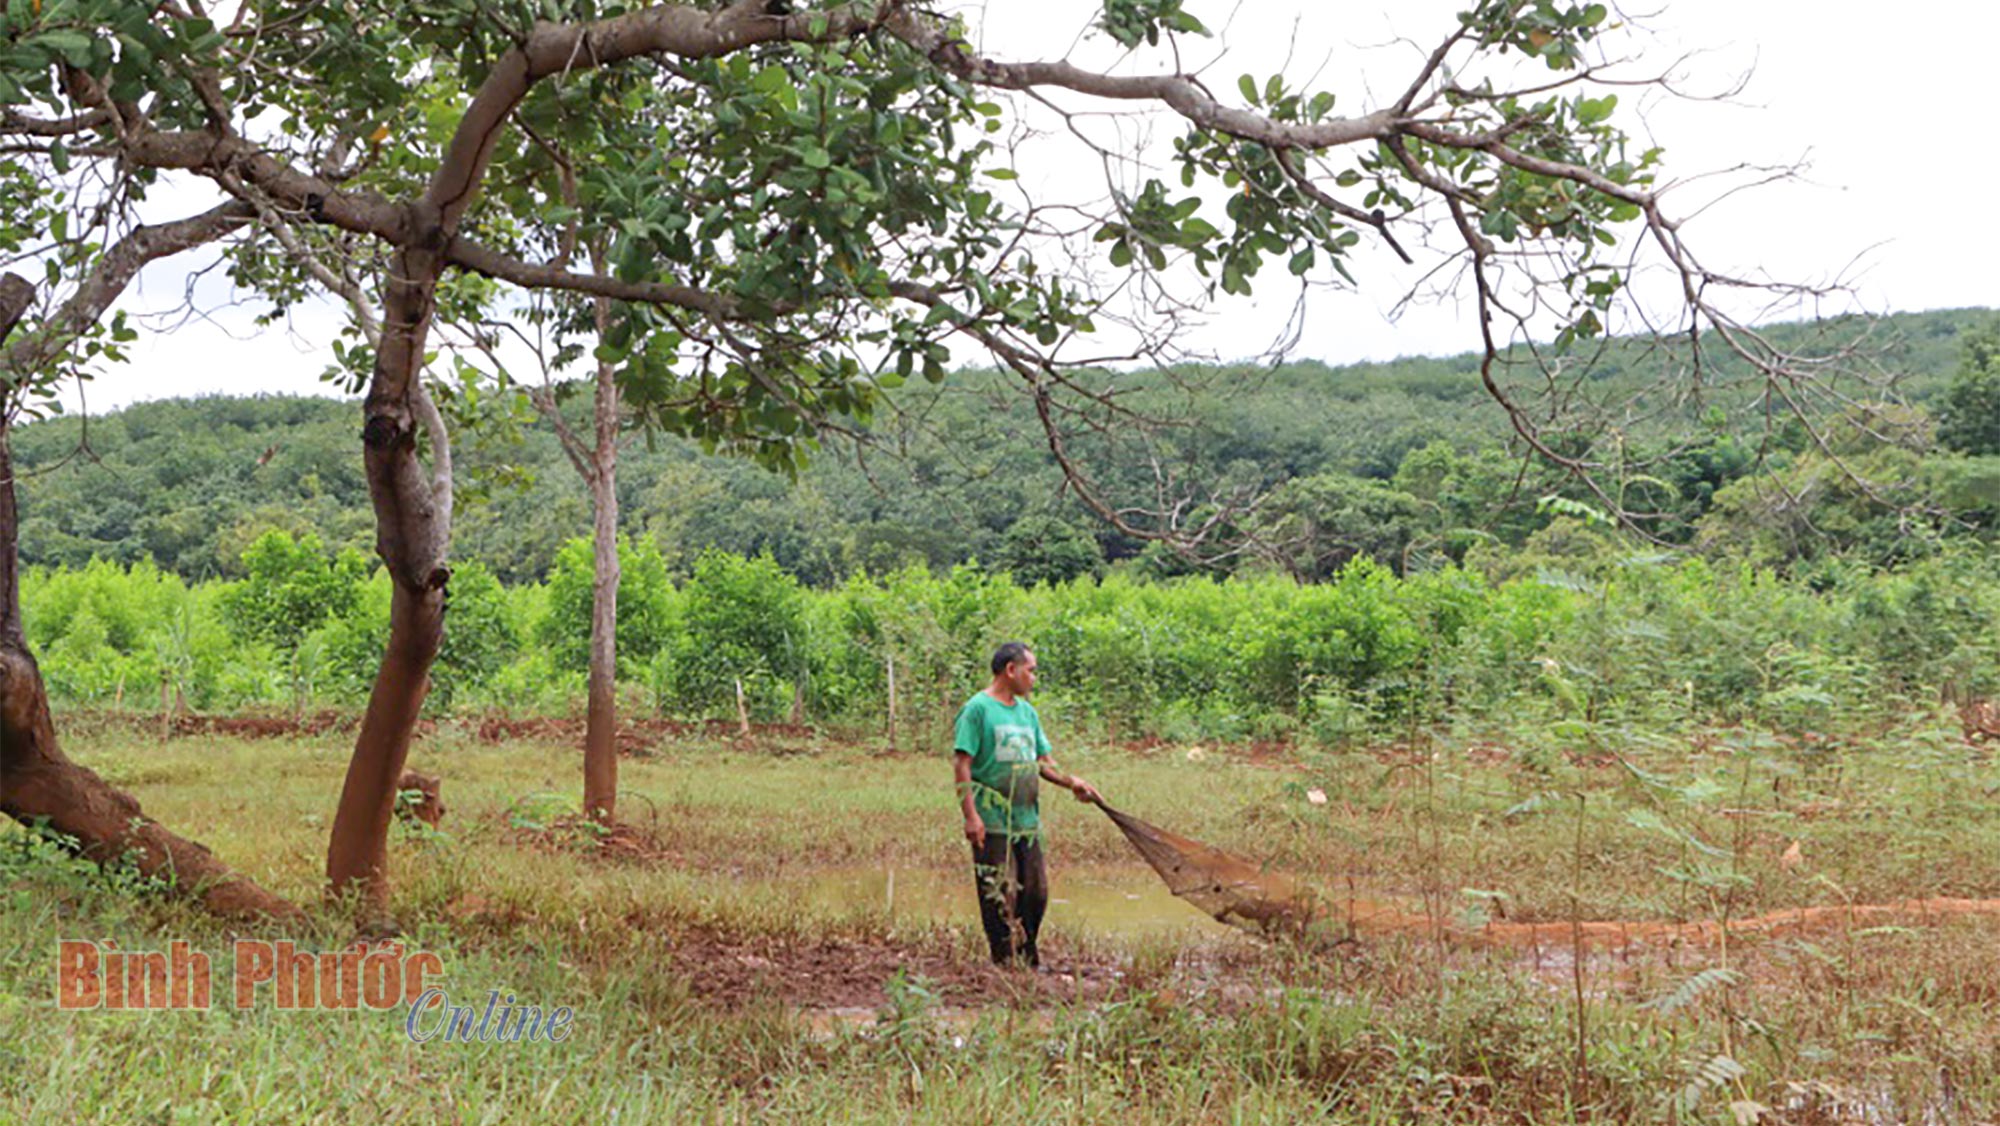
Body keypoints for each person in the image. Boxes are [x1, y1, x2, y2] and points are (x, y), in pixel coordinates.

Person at [951, 641, 1099, 968]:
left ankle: (1027, 954)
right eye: (1031, 670)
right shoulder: (977, 710)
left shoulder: (1027, 712)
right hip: (992, 821)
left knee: (1035, 892)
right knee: (1001, 893)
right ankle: (1005, 961)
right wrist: (971, 817)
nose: (1034, 678)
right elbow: (962, 765)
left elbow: (1043, 762)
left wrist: (1072, 782)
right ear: (1011, 670)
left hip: (1027, 821)